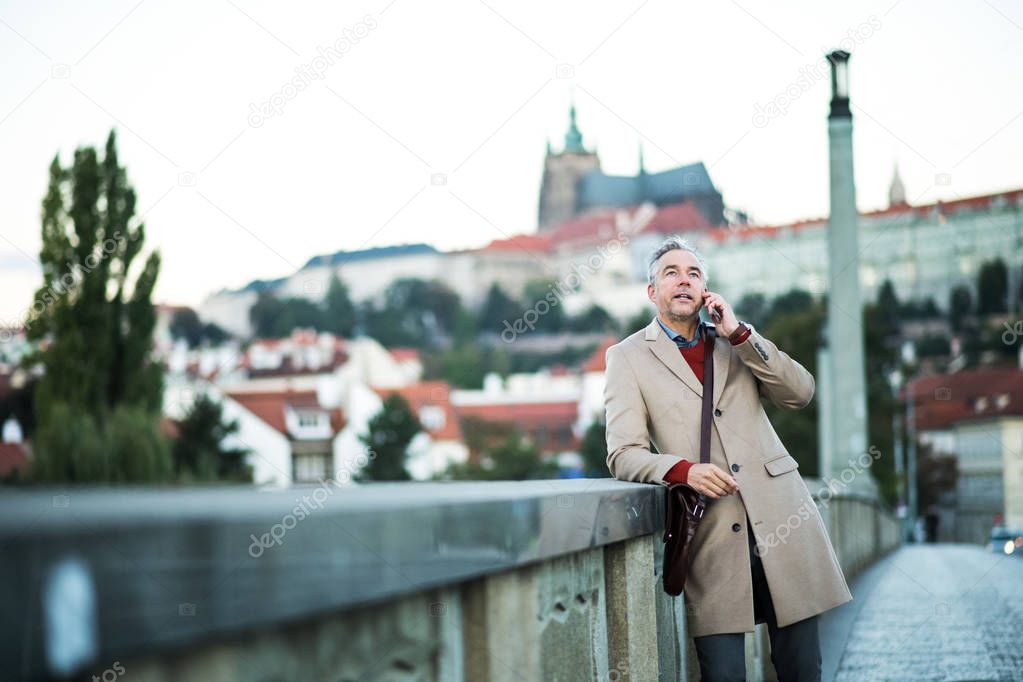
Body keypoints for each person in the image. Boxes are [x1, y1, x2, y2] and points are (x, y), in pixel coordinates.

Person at [603, 236, 851, 681]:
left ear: (705, 290)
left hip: (783, 520)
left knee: (802, 670)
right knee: (723, 673)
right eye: (671, 273)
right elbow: (623, 453)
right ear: (652, 291)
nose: (684, 281)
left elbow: (801, 393)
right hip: (713, 533)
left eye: (694, 273)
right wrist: (684, 471)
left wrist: (740, 333)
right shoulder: (627, 358)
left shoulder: (735, 340)